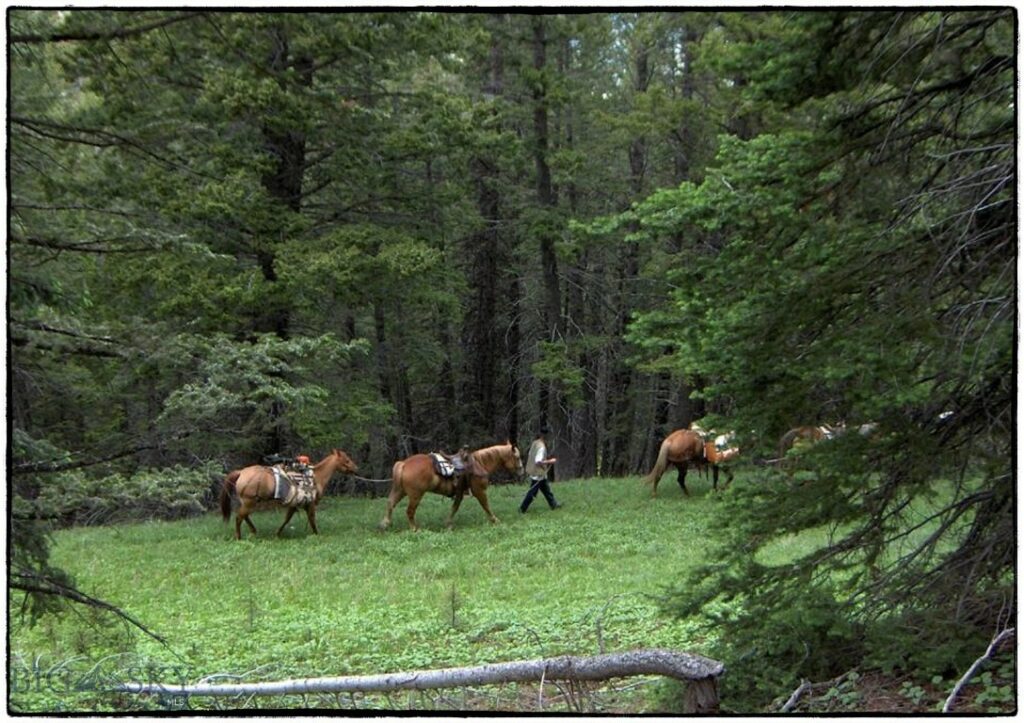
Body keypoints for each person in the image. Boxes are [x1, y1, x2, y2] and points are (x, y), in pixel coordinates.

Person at [519, 426, 561, 513]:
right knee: (532, 493)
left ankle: (553, 504)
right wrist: (550, 461)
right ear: (545, 436)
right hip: (538, 473)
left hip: (536, 472)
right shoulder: (541, 447)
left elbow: (530, 454)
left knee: (546, 489)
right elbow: (538, 461)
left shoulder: (535, 443)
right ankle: (522, 509)